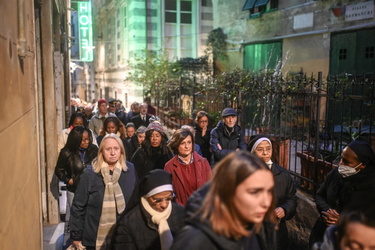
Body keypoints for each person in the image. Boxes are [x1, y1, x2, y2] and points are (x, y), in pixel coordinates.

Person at [171, 151, 277, 250]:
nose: (266, 203)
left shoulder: (261, 228)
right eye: (255, 192)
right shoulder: (193, 242)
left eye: (269, 191)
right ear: (228, 191)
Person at [70, 134, 138, 249]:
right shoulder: (90, 174)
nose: (112, 153)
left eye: (116, 149)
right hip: (94, 238)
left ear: (121, 151)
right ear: (101, 151)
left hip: (124, 238)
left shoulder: (130, 170)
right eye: (108, 149)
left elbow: (136, 202)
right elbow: (78, 206)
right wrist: (76, 236)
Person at [309, 140, 375, 248]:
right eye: (341, 159)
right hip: (323, 234)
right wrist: (327, 211)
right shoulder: (336, 174)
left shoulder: (371, 188)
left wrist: (342, 222)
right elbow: (320, 195)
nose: (341, 164)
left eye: (347, 162)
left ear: (363, 165)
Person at [113, 169, 185, 250]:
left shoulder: (182, 214)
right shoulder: (128, 224)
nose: (164, 205)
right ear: (147, 197)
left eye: (168, 198)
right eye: (158, 200)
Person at [247, 134, 297, 250]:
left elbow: (292, 198)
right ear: (252, 152)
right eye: (260, 149)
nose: (265, 153)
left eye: (268, 149)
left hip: (277, 232)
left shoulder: (283, 174)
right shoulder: (244, 175)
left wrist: (284, 209)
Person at [54, 126, 98, 222]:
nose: (87, 142)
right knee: (77, 218)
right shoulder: (66, 153)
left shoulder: (94, 150)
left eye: (88, 139)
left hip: (92, 190)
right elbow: (58, 170)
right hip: (74, 190)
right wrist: (69, 180)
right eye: (84, 140)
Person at [165, 129, 211, 206]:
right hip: (181, 211)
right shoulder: (169, 167)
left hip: (201, 210)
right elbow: (169, 194)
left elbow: (211, 188)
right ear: (176, 145)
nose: (187, 146)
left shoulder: (203, 162)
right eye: (182, 143)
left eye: (189, 142)